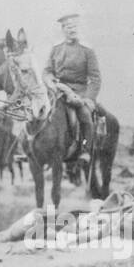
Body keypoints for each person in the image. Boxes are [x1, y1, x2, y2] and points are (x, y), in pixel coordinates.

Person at [44, 13, 102, 165]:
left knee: (85, 116)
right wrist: (50, 81)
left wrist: (88, 99)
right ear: (63, 29)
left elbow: (95, 78)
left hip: (79, 93)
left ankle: (85, 151)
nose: (72, 30)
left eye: (75, 26)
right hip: (58, 91)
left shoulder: (87, 50)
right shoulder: (56, 48)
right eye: (69, 27)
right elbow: (47, 71)